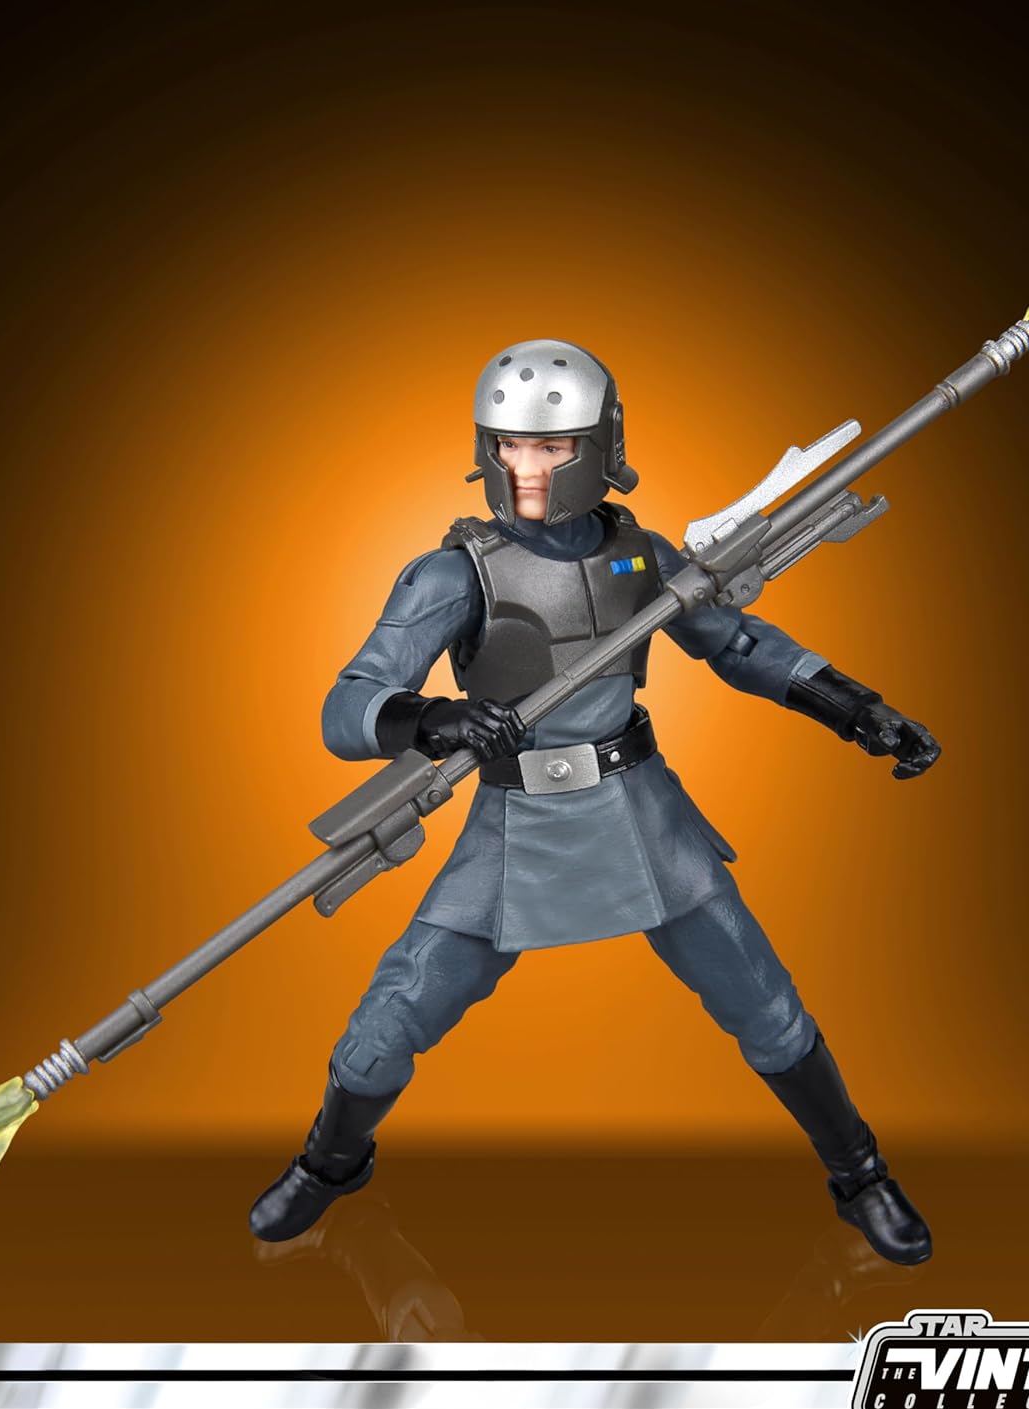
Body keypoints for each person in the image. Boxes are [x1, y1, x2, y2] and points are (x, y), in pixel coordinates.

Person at [249, 338, 940, 1264]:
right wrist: (432, 719)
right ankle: (330, 1164)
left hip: (640, 816)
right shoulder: (455, 574)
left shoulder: (643, 559)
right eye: (509, 445)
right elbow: (349, 705)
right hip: (514, 826)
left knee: (764, 1003)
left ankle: (860, 1172)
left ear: (598, 446)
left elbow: (739, 646)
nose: (526, 468)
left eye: (552, 446)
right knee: (389, 1021)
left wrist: (856, 709)